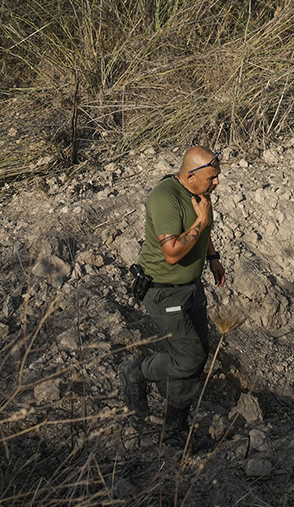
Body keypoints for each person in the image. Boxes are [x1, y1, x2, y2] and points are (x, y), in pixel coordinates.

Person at [119, 144, 227, 439]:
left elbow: (202, 232)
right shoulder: (165, 198)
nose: (217, 182)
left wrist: (213, 259)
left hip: (190, 288)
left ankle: (174, 428)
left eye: (217, 176)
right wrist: (202, 219)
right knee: (188, 358)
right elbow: (172, 253)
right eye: (211, 178)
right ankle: (135, 372)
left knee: (196, 355)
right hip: (163, 291)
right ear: (190, 175)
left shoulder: (200, 195)